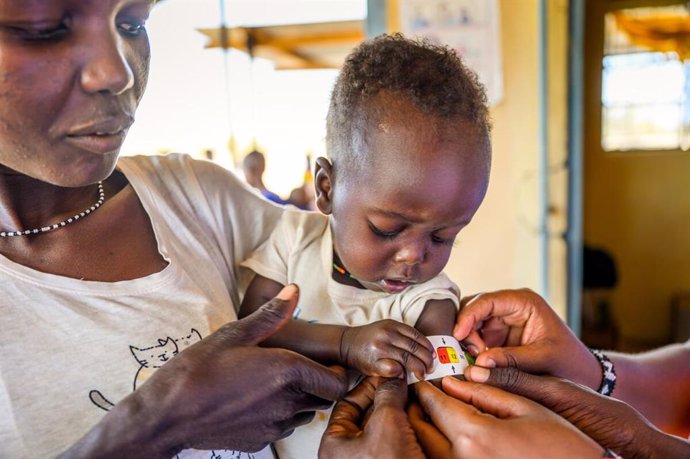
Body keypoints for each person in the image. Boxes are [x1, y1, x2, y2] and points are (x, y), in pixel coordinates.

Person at [0, 2, 349, 458]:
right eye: (44, 28)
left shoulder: (195, 198)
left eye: (132, 23)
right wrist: (158, 425)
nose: (118, 71)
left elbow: (363, 261)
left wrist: (442, 313)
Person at [238, 33, 491, 458]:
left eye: (443, 236)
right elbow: (253, 325)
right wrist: (345, 343)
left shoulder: (429, 302)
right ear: (327, 188)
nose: (414, 256)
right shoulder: (293, 241)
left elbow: (438, 387)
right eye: (388, 229)